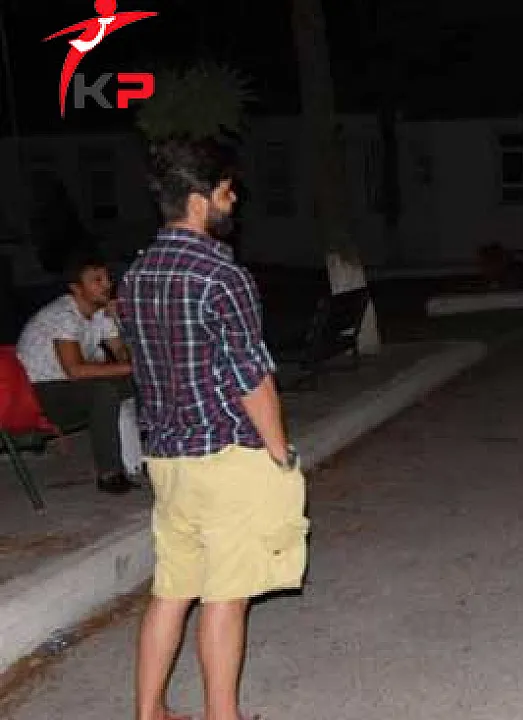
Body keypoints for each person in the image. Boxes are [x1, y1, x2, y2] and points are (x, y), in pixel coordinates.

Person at [117, 139, 309, 720]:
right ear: (200, 200)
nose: (234, 203)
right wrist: (279, 453)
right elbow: (251, 377)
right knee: (227, 596)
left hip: (168, 460)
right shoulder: (221, 274)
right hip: (226, 458)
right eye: (227, 193)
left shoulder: (136, 275)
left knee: (172, 590)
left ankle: (149, 712)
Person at [16, 250, 139, 494]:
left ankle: (142, 455)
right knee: (103, 392)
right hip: (38, 392)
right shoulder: (63, 315)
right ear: (76, 288)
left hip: (69, 385)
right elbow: (75, 370)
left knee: (141, 381)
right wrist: (133, 367)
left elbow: (123, 354)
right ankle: (109, 473)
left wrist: (121, 322)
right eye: (97, 280)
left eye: (107, 278)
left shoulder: (101, 313)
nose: (106, 285)